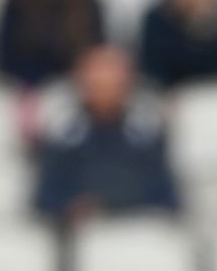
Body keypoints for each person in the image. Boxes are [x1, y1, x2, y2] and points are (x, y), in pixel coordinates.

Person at [33, 46, 181, 223]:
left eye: (112, 84)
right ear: (81, 85)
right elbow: (45, 200)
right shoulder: (63, 140)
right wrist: (71, 209)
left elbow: (167, 199)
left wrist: (119, 206)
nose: (105, 92)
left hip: (139, 232)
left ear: (127, 85)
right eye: (97, 85)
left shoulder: (147, 139)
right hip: (82, 236)